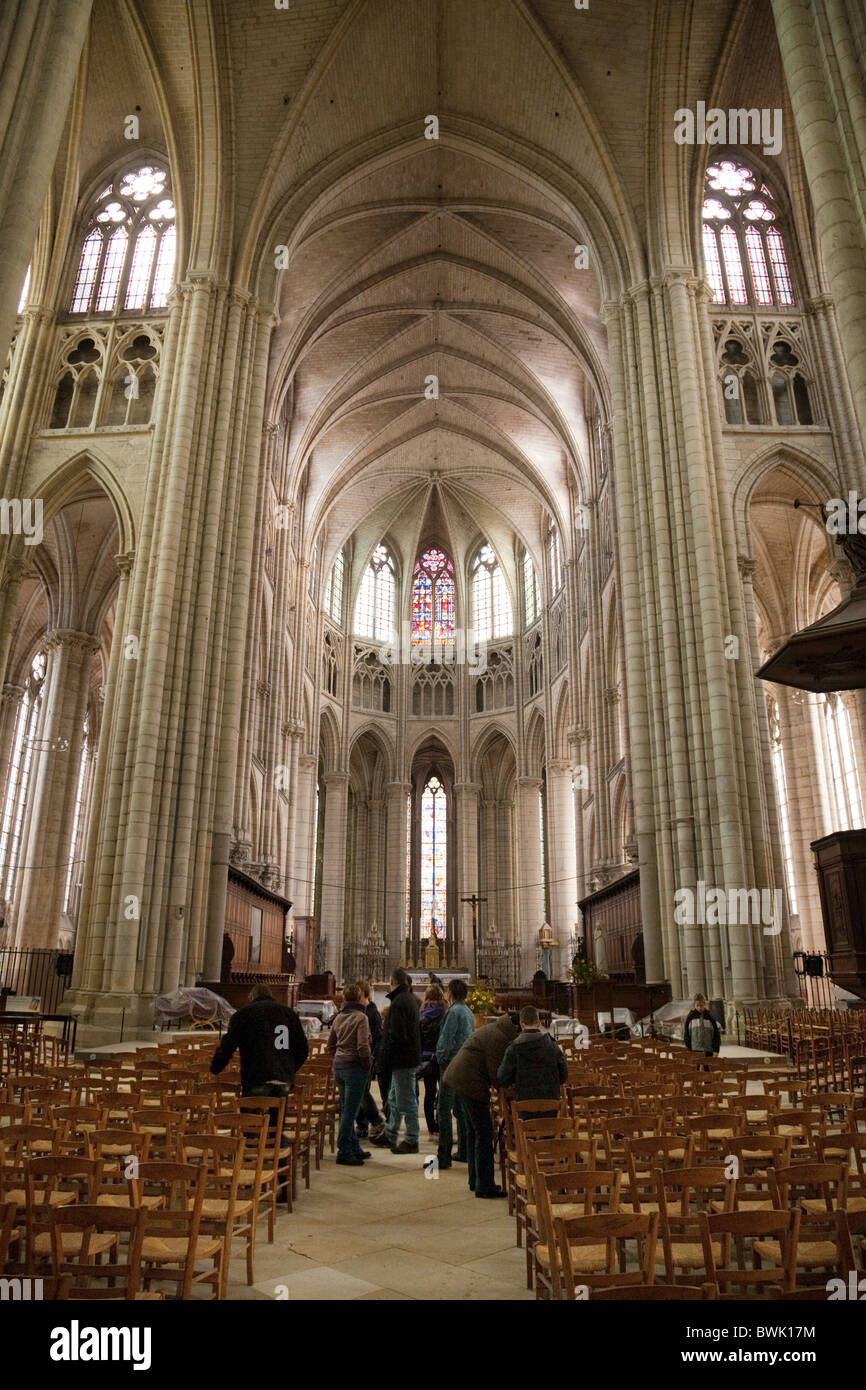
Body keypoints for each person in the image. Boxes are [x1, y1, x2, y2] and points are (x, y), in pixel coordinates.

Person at [442, 1010, 519, 1198]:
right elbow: (496, 1075)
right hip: (469, 1082)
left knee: (473, 1132)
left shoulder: (496, 1029)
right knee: (484, 1134)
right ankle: (485, 1186)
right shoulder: (499, 1038)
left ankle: (475, 1180)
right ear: (516, 1028)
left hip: (460, 1078)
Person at [210, 982, 308, 1097]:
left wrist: (216, 1067)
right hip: (282, 1077)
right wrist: (289, 1069)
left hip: (256, 1075)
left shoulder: (243, 1014)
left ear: (252, 996)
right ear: (271, 995)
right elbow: (303, 1048)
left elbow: (228, 1046)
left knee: (251, 1114)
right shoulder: (288, 1013)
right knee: (278, 1114)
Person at [370, 967, 422, 1154]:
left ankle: (412, 1139)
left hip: (402, 1059)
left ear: (393, 983)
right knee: (393, 1098)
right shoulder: (408, 999)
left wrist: (385, 1058)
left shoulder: (400, 1002)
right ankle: (390, 1133)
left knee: (406, 1100)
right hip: (403, 1057)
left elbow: (397, 1035)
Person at [328, 982, 373, 1166]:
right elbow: (363, 1046)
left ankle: (354, 1147)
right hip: (354, 1068)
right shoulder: (361, 1017)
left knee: (347, 1107)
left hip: (339, 1067)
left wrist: (339, 1057)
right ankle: (344, 1151)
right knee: (350, 1112)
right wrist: (367, 1065)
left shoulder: (339, 1017)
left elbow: (331, 1044)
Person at [496, 1005, 567, 1119]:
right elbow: (563, 1076)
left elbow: (502, 1078)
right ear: (539, 1023)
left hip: (525, 1112)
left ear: (521, 1024)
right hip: (551, 1112)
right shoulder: (552, 1046)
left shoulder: (514, 1048)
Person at [435, 978, 474, 1169]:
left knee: (443, 1109)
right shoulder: (468, 1012)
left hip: (451, 1065)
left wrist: (439, 1058)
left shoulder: (453, 1012)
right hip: (464, 1064)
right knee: (460, 1109)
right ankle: (464, 1151)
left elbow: (446, 1039)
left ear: (451, 993)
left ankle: (443, 1156)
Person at [356, 980, 385, 1140]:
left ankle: (376, 1120)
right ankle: (362, 1125)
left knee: (362, 1093)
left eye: (359, 994)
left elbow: (377, 1038)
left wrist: (372, 1058)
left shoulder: (372, 1013)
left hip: (367, 1058)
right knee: (361, 1093)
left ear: (365, 995)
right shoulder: (362, 1011)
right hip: (359, 1059)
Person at [419, 984, 446, 1135]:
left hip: (427, 1058)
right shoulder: (445, 1014)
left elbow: (419, 1039)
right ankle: (441, 1124)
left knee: (429, 1093)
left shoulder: (421, 1015)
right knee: (443, 1093)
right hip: (441, 1057)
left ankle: (431, 1128)